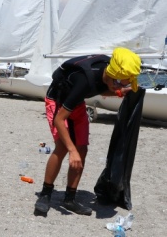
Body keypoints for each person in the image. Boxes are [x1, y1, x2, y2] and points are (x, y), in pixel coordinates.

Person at [34, 47, 141, 216]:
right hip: (58, 102)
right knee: (63, 147)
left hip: (76, 102)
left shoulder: (108, 72)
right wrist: (72, 150)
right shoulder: (84, 80)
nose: (122, 85)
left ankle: (70, 198)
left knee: (82, 149)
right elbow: (59, 120)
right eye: (121, 82)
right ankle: (45, 193)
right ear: (113, 73)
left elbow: (101, 87)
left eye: (126, 82)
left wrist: (120, 91)